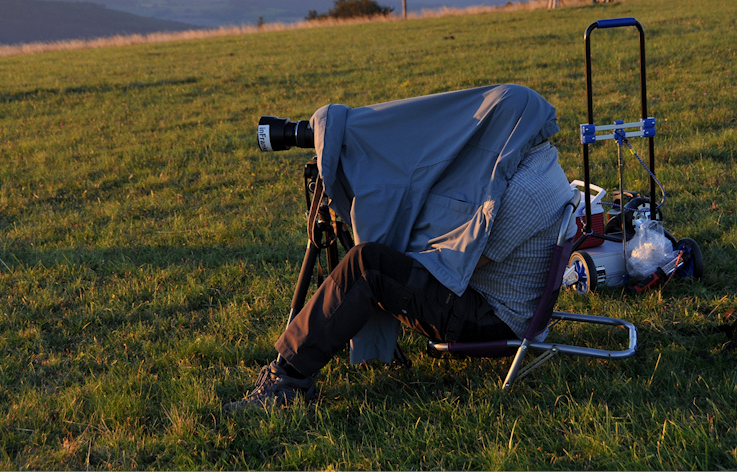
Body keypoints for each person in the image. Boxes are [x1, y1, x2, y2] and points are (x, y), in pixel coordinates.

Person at [225, 86, 577, 411]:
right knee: (379, 255)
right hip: (497, 305)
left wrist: (387, 228)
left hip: (491, 320)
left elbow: (461, 261)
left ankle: (285, 382)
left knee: (367, 265)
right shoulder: (538, 165)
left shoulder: (526, 191)